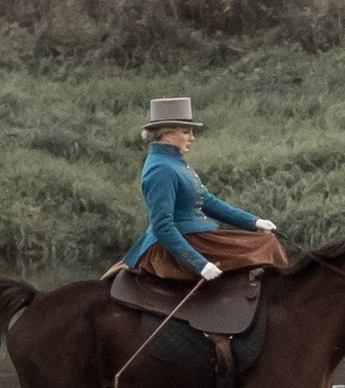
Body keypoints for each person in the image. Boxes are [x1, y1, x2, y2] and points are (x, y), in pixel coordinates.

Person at [121, 96, 286, 283]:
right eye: (186, 132)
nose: (192, 138)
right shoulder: (161, 170)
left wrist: (254, 221)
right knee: (265, 246)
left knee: (266, 241)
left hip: (197, 236)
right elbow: (162, 227)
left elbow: (207, 201)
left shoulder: (173, 162)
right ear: (166, 134)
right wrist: (200, 264)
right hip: (176, 245)